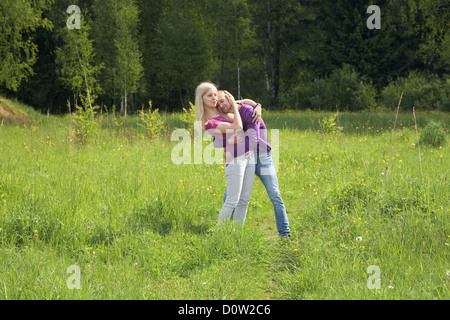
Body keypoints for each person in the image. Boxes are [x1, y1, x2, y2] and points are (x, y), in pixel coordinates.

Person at [215, 92, 291, 238]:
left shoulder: (249, 110)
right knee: (229, 198)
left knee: (274, 193)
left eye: (222, 101)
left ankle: (285, 233)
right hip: (244, 159)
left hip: (262, 157)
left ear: (228, 96)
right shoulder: (227, 113)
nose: (221, 105)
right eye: (218, 104)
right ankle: (230, 232)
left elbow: (253, 140)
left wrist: (257, 106)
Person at [195, 82, 257, 225]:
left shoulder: (221, 110)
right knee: (232, 201)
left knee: (244, 200)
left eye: (215, 95)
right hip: (234, 158)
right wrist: (234, 107)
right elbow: (238, 126)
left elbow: (245, 102)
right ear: (202, 99)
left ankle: (237, 234)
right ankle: (220, 235)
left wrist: (257, 106)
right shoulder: (209, 122)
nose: (214, 98)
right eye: (209, 96)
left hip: (248, 155)